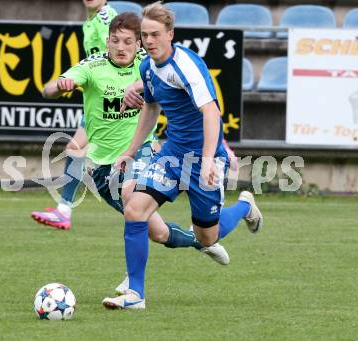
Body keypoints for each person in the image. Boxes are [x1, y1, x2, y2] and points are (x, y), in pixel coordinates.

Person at [40, 11, 232, 296]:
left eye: (129, 41)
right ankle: (201, 239)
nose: (121, 47)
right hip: (104, 166)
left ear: (138, 44)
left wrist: (219, 151)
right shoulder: (93, 66)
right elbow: (48, 89)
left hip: (146, 154)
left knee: (132, 197)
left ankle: (134, 287)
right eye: (115, 41)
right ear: (106, 42)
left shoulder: (150, 64)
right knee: (158, 232)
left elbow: (206, 108)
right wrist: (60, 85)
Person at [102, 2, 263, 310]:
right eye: (144, 35)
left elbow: (211, 112)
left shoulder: (186, 65)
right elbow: (150, 108)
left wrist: (206, 161)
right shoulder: (147, 68)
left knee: (207, 237)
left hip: (203, 156)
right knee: (135, 209)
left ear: (170, 34)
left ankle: (244, 206)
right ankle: (135, 294)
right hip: (172, 153)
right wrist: (130, 151)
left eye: (155, 34)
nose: (149, 41)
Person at [31, 0, 117, 230]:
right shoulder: (89, 22)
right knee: (75, 150)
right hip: (98, 100)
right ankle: (64, 209)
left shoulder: (106, 16)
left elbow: (124, 51)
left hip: (110, 100)